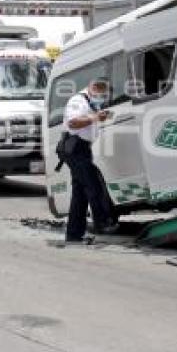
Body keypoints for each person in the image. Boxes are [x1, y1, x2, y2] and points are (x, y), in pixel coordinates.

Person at [61, 77, 118, 242]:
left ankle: (74, 234)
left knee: (80, 194)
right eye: (102, 95)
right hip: (75, 148)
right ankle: (103, 223)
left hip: (82, 149)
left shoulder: (91, 103)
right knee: (94, 184)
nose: (103, 98)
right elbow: (73, 123)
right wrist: (95, 118)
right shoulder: (78, 101)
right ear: (93, 89)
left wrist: (99, 116)